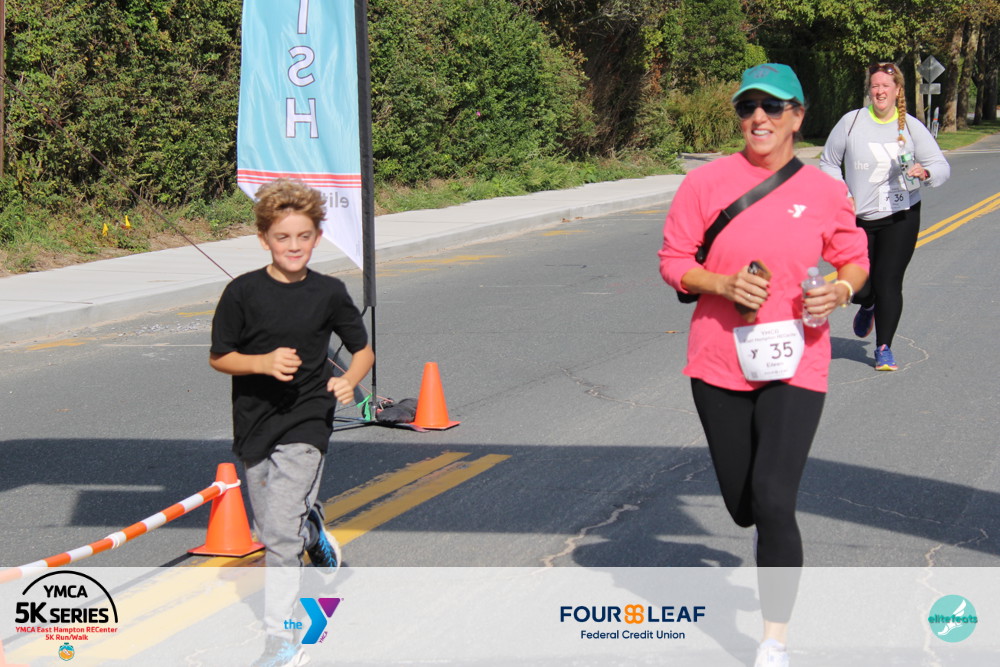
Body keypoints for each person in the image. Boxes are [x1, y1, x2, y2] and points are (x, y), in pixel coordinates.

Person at [659, 63, 869, 667]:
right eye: (748, 106)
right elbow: (674, 261)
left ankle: (773, 640)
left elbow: (853, 258)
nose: (759, 117)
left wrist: (841, 291)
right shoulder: (705, 183)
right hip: (718, 361)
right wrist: (721, 283)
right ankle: (762, 531)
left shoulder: (825, 191)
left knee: (775, 500)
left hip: (797, 360)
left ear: (797, 117)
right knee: (744, 505)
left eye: (773, 107)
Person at [209, 178, 375, 667]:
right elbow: (220, 357)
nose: (294, 246)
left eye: (303, 236)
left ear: (317, 237)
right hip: (255, 424)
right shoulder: (241, 292)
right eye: (283, 237)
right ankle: (312, 532)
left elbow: (362, 350)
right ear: (264, 239)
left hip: (307, 421)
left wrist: (349, 381)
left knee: (278, 536)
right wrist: (260, 363)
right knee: (273, 530)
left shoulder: (328, 292)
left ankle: (282, 639)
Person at [820, 61, 950, 370]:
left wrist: (925, 171)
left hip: (901, 215)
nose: (879, 91)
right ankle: (867, 304)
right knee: (859, 286)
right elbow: (828, 162)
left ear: (897, 91)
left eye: (885, 86)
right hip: (857, 218)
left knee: (888, 281)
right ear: (870, 90)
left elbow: (941, 166)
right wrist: (843, 193)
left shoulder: (911, 127)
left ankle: (883, 347)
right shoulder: (851, 122)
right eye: (875, 86)